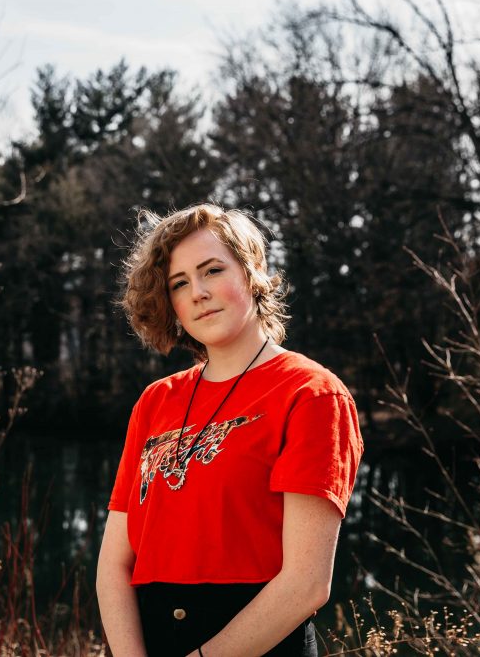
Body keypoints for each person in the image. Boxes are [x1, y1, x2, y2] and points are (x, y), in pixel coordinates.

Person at [97, 203, 363, 657]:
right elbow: (113, 567)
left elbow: (306, 585)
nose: (197, 292)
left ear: (252, 270)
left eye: (212, 270)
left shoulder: (312, 395)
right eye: (179, 283)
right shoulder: (154, 402)